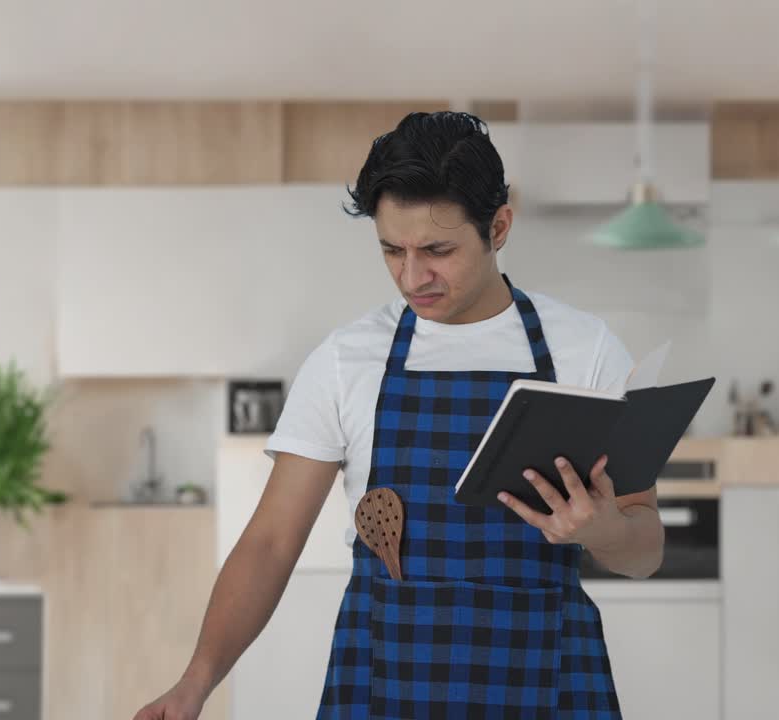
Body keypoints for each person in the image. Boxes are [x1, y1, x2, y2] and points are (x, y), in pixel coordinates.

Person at [133, 111, 665, 720]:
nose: (413, 277)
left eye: (438, 250)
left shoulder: (585, 351)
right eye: (392, 250)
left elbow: (645, 548)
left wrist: (602, 531)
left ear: (499, 227)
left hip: (546, 682)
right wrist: (195, 683)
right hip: (386, 683)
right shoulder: (347, 360)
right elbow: (270, 544)